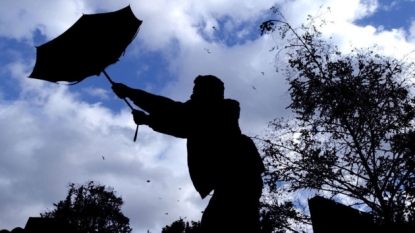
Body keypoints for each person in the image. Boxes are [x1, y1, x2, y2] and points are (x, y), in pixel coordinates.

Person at [112, 75, 265, 233]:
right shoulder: (213, 112)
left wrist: (133, 95)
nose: (192, 95)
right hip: (237, 180)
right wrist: (148, 120)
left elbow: (178, 115)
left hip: (239, 179)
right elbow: (182, 123)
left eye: (196, 91)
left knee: (216, 224)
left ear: (209, 92)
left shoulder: (222, 110)